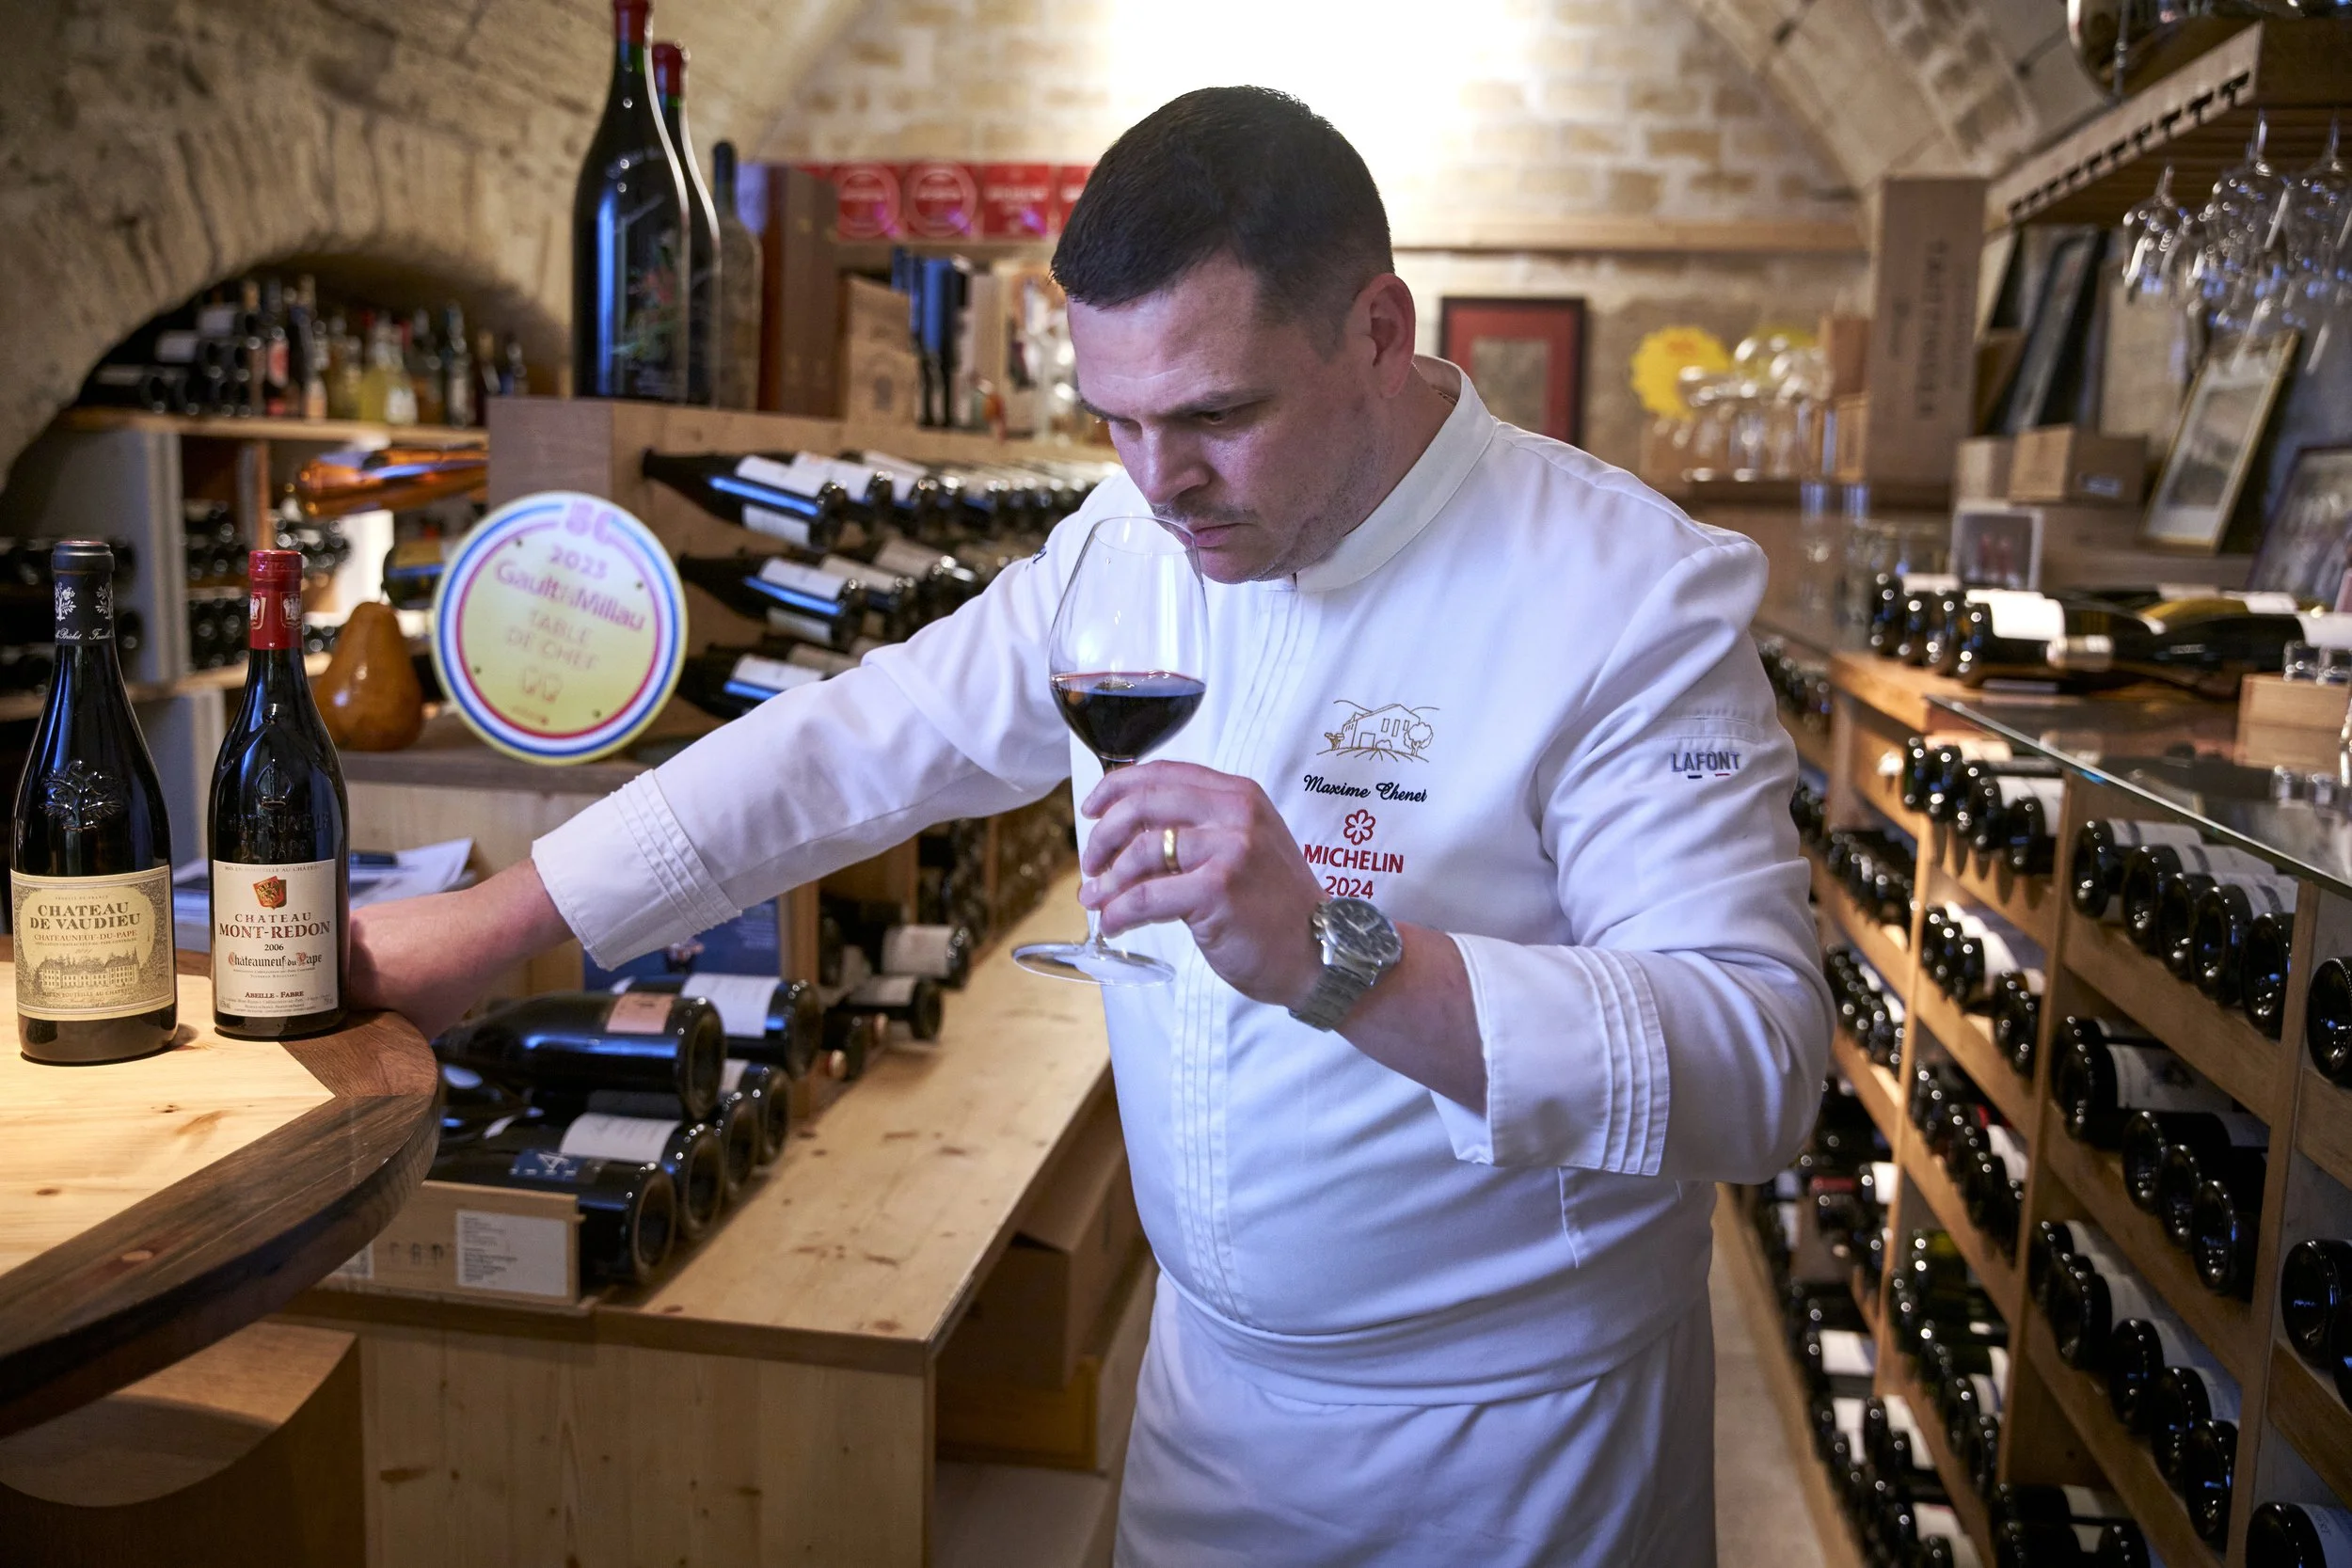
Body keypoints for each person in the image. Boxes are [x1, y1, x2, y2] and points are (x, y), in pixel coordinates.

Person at [351, 85, 1829, 1566]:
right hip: (1210, 1411)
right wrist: (493, 925)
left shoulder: (1627, 592)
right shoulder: (1126, 546)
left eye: (1218, 416)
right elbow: (852, 743)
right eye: (1115, 420)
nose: (1159, 481)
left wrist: (1338, 957)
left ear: (1378, 333)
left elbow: (1759, 1058)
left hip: (1521, 1448)